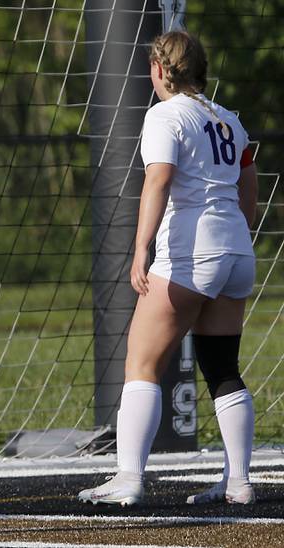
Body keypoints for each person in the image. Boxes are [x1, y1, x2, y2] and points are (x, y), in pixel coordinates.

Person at [78, 31, 257, 507]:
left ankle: (129, 479)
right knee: (222, 368)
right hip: (236, 252)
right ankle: (238, 481)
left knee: (141, 362)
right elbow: (249, 185)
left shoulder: (165, 114)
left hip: (189, 254)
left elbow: (158, 180)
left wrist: (141, 250)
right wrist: (237, 233)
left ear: (160, 69)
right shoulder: (229, 120)